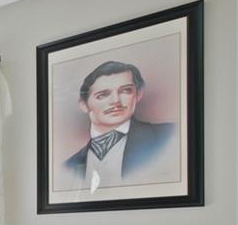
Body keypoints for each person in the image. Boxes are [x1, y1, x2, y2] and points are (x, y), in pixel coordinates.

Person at [63, 61, 176, 190]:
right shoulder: (69, 166)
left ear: (138, 95)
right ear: (84, 105)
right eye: (103, 95)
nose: (116, 101)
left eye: (126, 90)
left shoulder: (171, 136)